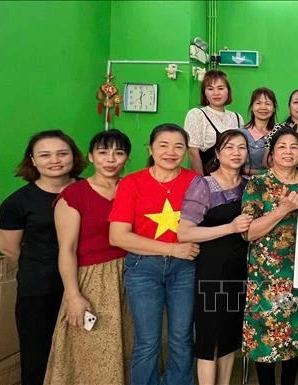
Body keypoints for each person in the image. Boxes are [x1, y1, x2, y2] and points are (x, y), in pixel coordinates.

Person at [109, 123, 200, 385]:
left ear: (186, 151)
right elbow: (118, 236)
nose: (170, 152)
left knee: (182, 337)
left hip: (184, 270)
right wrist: (172, 249)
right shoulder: (131, 183)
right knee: (147, 340)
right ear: (150, 148)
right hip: (143, 269)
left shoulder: (194, 182)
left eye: (178, 146)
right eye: (163, 145)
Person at [44, 129, 133, 385]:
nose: (111, 159)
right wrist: (73, 295)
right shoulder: (74, 195)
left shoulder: (132, 187)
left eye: (119, 153)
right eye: (103, 153)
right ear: (91, 157)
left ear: (127, 158)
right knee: (89, 350)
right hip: (92, 280)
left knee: (133, 346)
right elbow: (67, 250)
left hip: (133, 276)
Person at [0, 129, 85, 385]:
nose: (54, 160)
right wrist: (44, 266)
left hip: (88, 282)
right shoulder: (17, 202)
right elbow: (10, 248)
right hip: (39, 288)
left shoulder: (89, 190)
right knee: (38, 356)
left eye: (62, 153)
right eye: (45, 155)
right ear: (33, 161)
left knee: (84, 353)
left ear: (74, 156)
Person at [177, 129, 252, 385]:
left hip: (240, 269)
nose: (236, 152)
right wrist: (230, 227)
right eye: (229, 147)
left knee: (230, 335)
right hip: (211, 269)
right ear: (218, 153)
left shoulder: (248, 186)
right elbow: (185, 232)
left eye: (241, 148)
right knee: (210, 337)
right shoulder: (203, 184)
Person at [241, 128, 298, 385]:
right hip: (265, 275)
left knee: (294, 332)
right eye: (282, 146)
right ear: (271, 154)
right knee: (264, 336)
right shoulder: (257, 184)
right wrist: (282, 210)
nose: (288, 151)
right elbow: (249, 232)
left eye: (294, 147)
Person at [184, 69, 244, 175]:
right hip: (208, 178)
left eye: (220, 88)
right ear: (204, 93)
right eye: (210, 89)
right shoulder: (197, 114)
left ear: (228, 91)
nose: (216, 93)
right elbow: (193, 152)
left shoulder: (237, 117)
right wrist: (201, 183)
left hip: (234, 179)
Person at [263, 89, 298, 176]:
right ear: (289, 107)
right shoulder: (278, 129)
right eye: (296, 102)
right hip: (281, 181)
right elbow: (267, 162)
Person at [241, 87, 277, 175]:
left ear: (274, 108)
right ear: (252, 107)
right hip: (244, 184)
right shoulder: (240, 134)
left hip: (275, 185)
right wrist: (264, 172)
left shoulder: (280, 133)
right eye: (258, 103)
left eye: (268, 103)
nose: (263, 107)